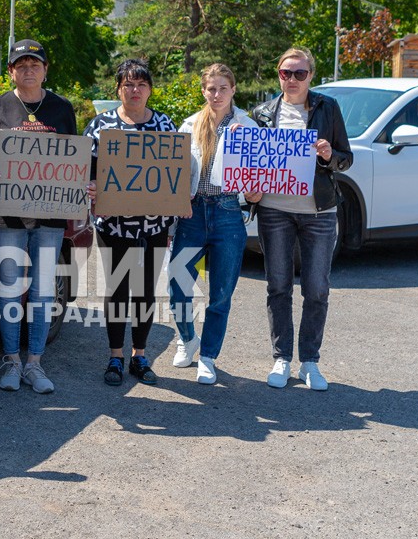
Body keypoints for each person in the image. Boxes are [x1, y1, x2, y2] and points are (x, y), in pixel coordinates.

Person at [0, 39, 78, 394]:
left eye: (35, 64)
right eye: (22, 64)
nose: (29, 69)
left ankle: (35, 363)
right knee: (10, 290)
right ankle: (11, 361)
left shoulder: (62, 109)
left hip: (49, 218)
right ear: (11, 71)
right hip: (6, 217)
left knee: (43, 291)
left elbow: (72, 162)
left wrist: (84, 185)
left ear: (46, 70)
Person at [252, 48, 353, 391]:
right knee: (278, 286)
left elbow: (346, 158)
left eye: (299, 73)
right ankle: (282, 358)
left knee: (316, 288)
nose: (291, 79)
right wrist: (248, 192)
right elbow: (251, 164)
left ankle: (309, 361)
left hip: (318, 211)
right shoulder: (263, 112)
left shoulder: (328, 108)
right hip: (274, 209)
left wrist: (328, 155)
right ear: (277, 74)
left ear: (312, 75)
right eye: (285, 73)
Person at [83, 59, 177, 386]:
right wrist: (91, 186)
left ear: (150, 89)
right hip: (113, 224)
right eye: (128, 85)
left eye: (141, 85)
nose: (134, 90)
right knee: (118, 288)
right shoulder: (99, 126)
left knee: (146, 290)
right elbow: (84, 171)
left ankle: (139, 354)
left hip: (154, 224)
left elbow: (175, 173)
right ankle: (115, 356)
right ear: (118, 90)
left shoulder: (165, 126)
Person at [166, 63, 259, 385]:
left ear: (233, 89)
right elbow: (175, 174)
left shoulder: (249, 127)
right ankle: (187, 338)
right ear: (203, 91)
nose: (216, 94)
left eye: (222, 88)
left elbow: (256, 185)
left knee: (221, 293)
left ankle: (208, 356)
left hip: (228, 212)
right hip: (191, 213)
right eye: (211, 89)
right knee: (177, 285)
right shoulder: (189, 125)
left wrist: (255, 192)